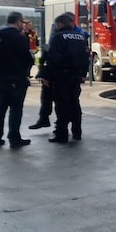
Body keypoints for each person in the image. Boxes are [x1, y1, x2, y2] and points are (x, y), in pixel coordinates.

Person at [0, 12, 34, 148]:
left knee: (0, 107)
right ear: (18, 22)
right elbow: (28, 58)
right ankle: (14, 138)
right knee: (16, 109)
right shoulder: (18, 37)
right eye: (22, 23)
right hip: (16, 78)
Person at [44, 13, 89, 143]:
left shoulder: (58, 37)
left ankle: (61, 135)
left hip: (61, 76)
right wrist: (83, 74)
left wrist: (48, 77)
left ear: (60, 24)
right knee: (75, 103)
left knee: (61, 105)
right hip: (76, 76)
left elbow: (53, 59)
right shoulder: (81, 37)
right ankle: (77, 132)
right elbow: (86, 57)